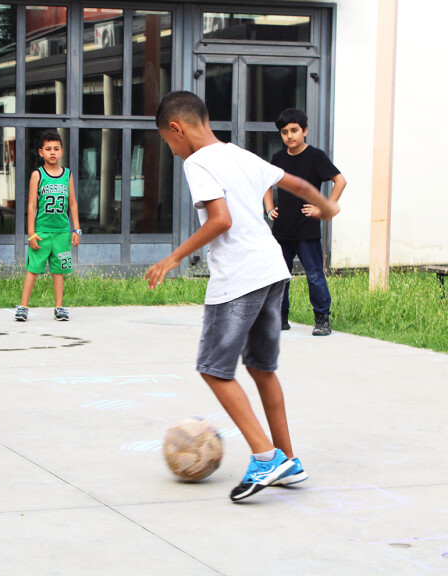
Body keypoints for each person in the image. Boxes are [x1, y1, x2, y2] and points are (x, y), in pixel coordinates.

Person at [145, 91, 339, 502]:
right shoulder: (240, 154)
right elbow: (301, 184)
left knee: (215, 368)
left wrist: (175, 257)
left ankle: (266, 458)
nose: (172, 150)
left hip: (239, 278)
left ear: (177, 129)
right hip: (272, 271)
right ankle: (289, 459)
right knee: (262, 369)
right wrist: (327, 208)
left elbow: (220, 219)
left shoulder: (197, 162)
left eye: (168, 142)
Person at [264, 108, 347, 335]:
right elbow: (267, 185)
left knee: (314, 275)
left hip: (307, 230)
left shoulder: (316, 156)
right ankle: (279, 318)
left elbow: (340, 181)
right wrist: (269, 209)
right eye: (284, 132)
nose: (289, 136)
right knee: (280, 277)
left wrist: (324, 207)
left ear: (305, 131)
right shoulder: (278, 158)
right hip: (282, 230)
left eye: (294, 130)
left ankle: (322, 320)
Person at [15, 130, 81, 322]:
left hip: (61, 233)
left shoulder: (67, 174)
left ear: (62, 151)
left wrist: (76, 229)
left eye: (56, 149)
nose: (52, 152)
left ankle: (59, 307)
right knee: (33, 269)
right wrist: (31, 233)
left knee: (58, 271)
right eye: (48, 149)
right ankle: (23, 306)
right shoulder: (38, 174)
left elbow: (73, 203)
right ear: (41, 152)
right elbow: (32, 205)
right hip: (42, 232)